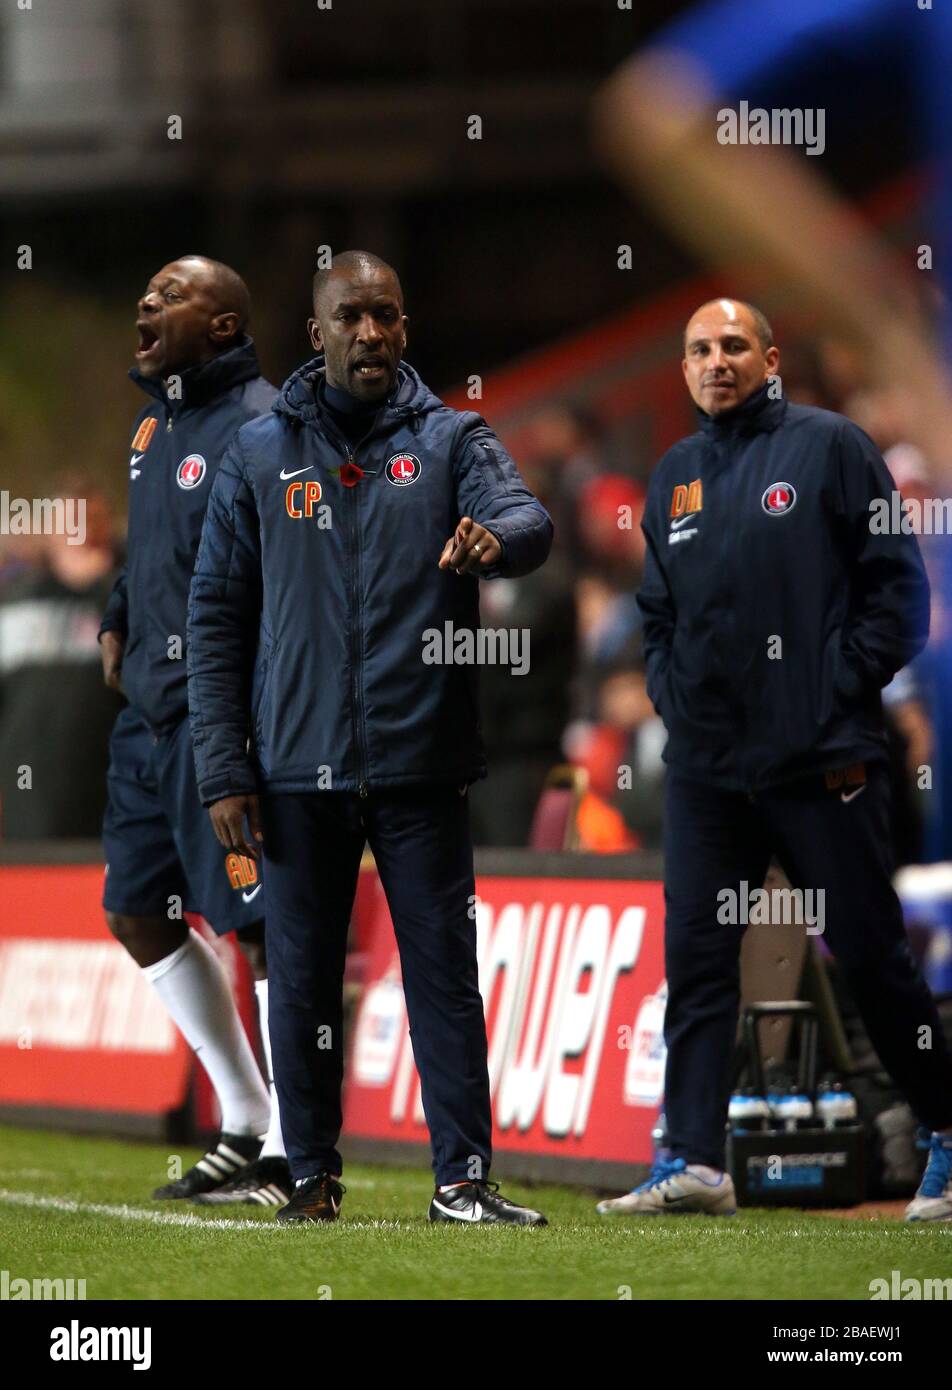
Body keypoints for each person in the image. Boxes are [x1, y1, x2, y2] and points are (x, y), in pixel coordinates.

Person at [187, 250, 553, 1225]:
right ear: (318, 332)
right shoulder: (258, 454)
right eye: (351, 316)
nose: (371, 334)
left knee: (444, 976)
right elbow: (215, 616)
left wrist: (497, 538)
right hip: (292, 770)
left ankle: (462, 1180)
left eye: (386, 316)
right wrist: (223, 765)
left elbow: (527, 514)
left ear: (404, 327)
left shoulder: (451, 440)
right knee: (300, 983)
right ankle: (309, 1175)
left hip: (420, 762)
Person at [596, 298, 952, 1221]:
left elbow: (901, 600)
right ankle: (695, 1161)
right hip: (710, 772)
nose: (716, 362)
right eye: (699, 350)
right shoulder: (673, 474)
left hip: (821, 760)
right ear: (683, 369)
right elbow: (659, 615)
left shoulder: (833, 447)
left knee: (872, 957)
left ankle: (947, 1132)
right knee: (698, 962)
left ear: (770, 357)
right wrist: (675, 697)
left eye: (733, 346)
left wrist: (826, 690)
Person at [100, 256, 289, 1206]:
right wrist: (114, 618)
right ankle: (244, 1110)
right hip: (144, 722)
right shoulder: (150, 426)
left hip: (223, 720)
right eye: (149, 292)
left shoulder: (262, 426)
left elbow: (287, 577)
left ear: (222, 328)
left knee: (260, 927)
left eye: (173, 296)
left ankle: (293, 1145)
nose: (148, 302)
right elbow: (148, 548)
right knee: (137, 913)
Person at [0, 479, 123, 838]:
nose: (80, 533)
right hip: (26, 809)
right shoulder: (14, 603)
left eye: (91, 522)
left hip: (107, 806)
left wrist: (102, 584)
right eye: (70, 521)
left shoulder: (125, 599)